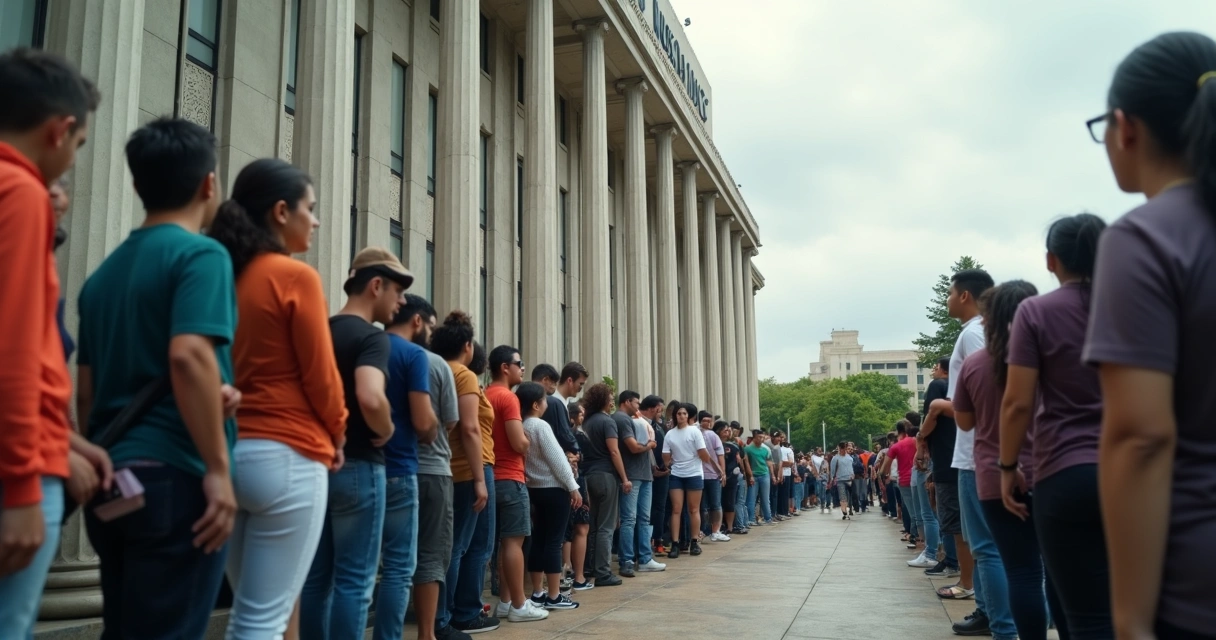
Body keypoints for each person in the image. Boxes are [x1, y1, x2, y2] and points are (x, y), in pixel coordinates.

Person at [75, 117, 239, 638]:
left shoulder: (103, 275)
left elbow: (87, 391)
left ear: (137, 183)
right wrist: (217, 468)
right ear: (208, 183)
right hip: (178, 477)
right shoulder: (202, 254)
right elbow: (189, 355)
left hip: (112, 480)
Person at [1083, 31, 1216, 640]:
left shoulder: (1146, 240)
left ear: (1124, 127)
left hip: (1193, 575)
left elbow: (1141, 437)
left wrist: (1131, 620)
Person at [207, 158, 349, 639]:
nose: (316, 219)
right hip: (289, 453)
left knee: (247, 619)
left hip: (227, 454)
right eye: (310, 208)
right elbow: (321, 377)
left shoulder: (218, 273)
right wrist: (338, 431)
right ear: (281, 211)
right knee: (262, 621)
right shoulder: (294, 277)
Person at [0, 48, 99, 637]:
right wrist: (19, 488)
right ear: (60, 130)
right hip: (17, 466)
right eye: (80, 145)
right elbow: (14, 351)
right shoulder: (21, 192)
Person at [997, 214, 1110, 638]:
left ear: (1051, 261)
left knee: (1078, 610)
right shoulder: (1135, 303)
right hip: (1135, 469)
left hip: (1063, 470)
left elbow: (1017, 401)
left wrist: (1008, 467)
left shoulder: (1036, 312)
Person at [301, 247, 411, 640]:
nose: (401, 302)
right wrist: (386, 428)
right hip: (361, 464)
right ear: (375, 285)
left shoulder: (319, 330)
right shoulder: (372, 338)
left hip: (315, 464)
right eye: (397, 291)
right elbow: (370, 395)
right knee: (355, 580)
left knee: (316, 579)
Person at [376, 295, 451, 640]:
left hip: (373, 466)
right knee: (425, 555)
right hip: (428, 468)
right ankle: (426, 634)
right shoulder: (427, 359)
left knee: (362, 565)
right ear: (418, 321)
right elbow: (444, 422)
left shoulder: (368, 348)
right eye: (431, 326)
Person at [925, 268, 992, 616]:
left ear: (965, 295)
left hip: (975, 452)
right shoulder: (978, 332)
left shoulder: (974, 334)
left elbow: (986, 393)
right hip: (978, 450)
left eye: (951, 293)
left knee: (983, 544)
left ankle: (990, 614)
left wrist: (940, 406)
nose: (948, 299)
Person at [432, 316, 499, 635]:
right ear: (467, 346)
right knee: (464, 546)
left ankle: (450, 613)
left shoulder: (436, 370)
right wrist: (478, 479)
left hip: (450, 468)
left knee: (455, 545)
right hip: (471, 467)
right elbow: (470, 428)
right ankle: (455, 614)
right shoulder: (464, 375)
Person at [485, 346, 547, 622]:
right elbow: (518, 442)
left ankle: (506, 602)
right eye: (519, 363)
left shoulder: (485, 394)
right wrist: (526, 440)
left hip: (489, 476)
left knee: (499, 545)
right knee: (514, 543)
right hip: (510, 477)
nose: (523, 368)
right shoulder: (508, 399)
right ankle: (520, 605)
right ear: (504, 367)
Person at [517, 382, 581, 611]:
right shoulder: (540, 426)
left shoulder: (522, 425)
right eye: (544, 399)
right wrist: (573, 487)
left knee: (539, 540)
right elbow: (558, 461)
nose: (547, 403)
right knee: (554, 541)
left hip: (535, 489)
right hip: (554, 490)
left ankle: (537, 592)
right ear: (536, 404)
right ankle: (554, 595)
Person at [579, 382, 628, 586]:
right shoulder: (607, 422)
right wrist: (624, 478)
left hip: (588, 476)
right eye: (610, 399)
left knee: (592, 526)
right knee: (606, 526)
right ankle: (603, 572)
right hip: (606, 476)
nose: (611, 403)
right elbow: (614, 451)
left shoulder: (587, 422)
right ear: (604, 401)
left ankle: (589, 567)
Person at [917, 357, 960, 578]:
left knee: (947, 514)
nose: (933, 369)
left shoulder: (938, 386)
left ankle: (952, 561)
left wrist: (921, 439)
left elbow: (931, 417)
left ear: (945, 369)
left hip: (945, 458)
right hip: (962, 457)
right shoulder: (961, 388)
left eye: (936, 366)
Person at [663, 403, 716, 558]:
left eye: (684, 413)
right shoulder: (670, 434)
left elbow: (704, 455)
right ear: (675, 416)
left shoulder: (695, 431)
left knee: (693, 509)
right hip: (677, 474)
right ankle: (675, 543)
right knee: (676, 509)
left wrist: (698, 456)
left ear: (688, 416)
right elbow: (665, 456)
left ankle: (694, 542)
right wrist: (671, 463)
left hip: (693, 473)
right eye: (679, 413)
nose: (681, 416)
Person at [613, 391, 655, 577]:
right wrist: (650, 446)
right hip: (632, 474)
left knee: (643, 518)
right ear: (627, 402)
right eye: (637, 403)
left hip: (643, 474)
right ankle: (627, 560)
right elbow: (632, 446)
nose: (639, 407)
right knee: (629, 519)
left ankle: (644, 558)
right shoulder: (621, 419)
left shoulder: (631, 418)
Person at [566, 401, 593, 591]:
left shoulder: (560, 434)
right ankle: (579, 576)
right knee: (581, 528)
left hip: (564, 483)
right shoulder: (578, 435)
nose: (583, 418)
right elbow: (587, 460)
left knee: (566, 531)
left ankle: (566, 573)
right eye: (581, 414)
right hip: (577, 483)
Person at [697, 412, 729, 540]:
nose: (708, 423)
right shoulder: (696, 433)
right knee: (703, 506)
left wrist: (722, 472)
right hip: (700, 474)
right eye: (705, 420)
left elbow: (720, 455)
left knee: (715, 504)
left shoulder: (713, 435)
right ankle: (704, 530)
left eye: (710, 421)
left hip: (713, 475)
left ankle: (715, 530)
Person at [830, 442, 854, 520]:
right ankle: (845, 512)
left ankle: (847, 509)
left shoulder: (850, 458)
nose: (843, 450)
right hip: (840, 479)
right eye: (842, 448)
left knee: (848, 496)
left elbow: (851, 468)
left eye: (844, 448)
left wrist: (852, 474)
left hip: (849, 479)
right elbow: (832, 470)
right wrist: (832, 479)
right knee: (842, 496)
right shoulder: (835, 458)